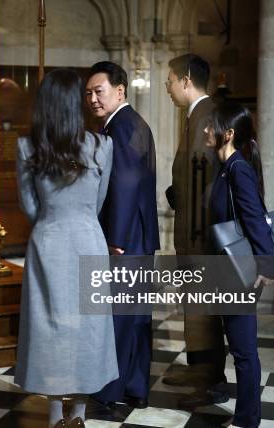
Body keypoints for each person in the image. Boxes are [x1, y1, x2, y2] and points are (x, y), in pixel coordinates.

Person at [14, 69, 119, 428]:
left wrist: (52, 218)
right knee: (88, 328)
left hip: (48, 242)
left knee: (51, 328)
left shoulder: (28, 147)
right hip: (89, 240)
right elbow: (100, 203)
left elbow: (29, 207)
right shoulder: (101, 146)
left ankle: (55, 416)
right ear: (77, 106)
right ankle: (79, 416)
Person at [85, 61, 159, 408]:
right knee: (135, 318)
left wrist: (115, 238)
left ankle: (110, 392)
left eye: (98, 91)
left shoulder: (121, 127)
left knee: (117, 318)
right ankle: (135, 388)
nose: (93, 99)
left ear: (120, 91)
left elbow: (126, 185)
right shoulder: (133, 123)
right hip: (138, 238)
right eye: (89, 93)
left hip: (124, 241)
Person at [163, 53, 227, 405]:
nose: (168, 89)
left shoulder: (207, 116)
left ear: (185, 80)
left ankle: (210, 382)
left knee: (203, 307)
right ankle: (198, 368)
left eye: (170, 82)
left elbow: (206, 182)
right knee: (194, 306)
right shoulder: (196, 116)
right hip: (193, 230)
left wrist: (180, 199)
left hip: (202, 236)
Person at [205, 102, 273, 427]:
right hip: (228, 271)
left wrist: (266, 266)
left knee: (244, 350)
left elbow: (256, 219)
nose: (206, 130)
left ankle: (247, 420)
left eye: (212, 126)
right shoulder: (225, 167)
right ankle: (247, 417)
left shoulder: (237, 168)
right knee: (240, 348)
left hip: (240, 273)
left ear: (228, 133)